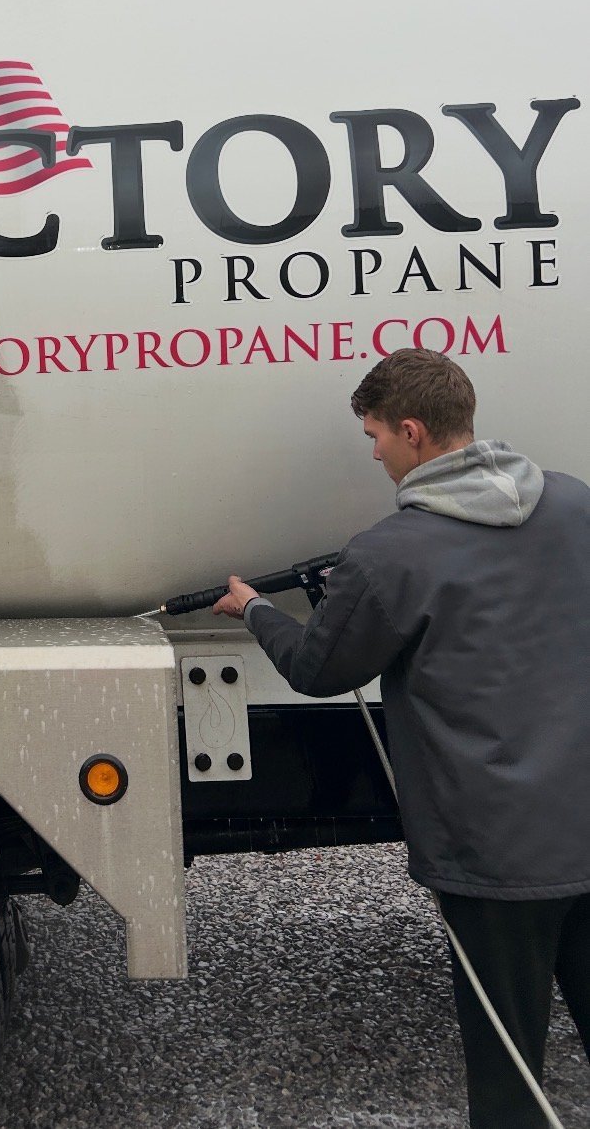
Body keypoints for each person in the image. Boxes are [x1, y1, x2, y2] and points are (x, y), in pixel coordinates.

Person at [212, 347, 590, 1129]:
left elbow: (319, 668)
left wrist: (253, 609)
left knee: (508, 1071)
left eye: (374, 435)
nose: (374, 452)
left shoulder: (389, 555)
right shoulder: (575, 503)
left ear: (412, 431)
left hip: (492, 857)